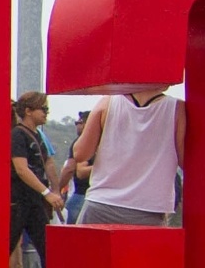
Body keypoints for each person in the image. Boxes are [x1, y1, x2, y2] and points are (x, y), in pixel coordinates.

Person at [69, 88, 186, 226]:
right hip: (149, 209)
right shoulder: (177, 109)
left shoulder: (108, 102)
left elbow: (80, 153)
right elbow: (185, 161)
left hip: (100, 204)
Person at [8, 92, 62, 268]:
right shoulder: (18, 135)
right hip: (18, 200)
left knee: (46, 245)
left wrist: (53, 191)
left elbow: (47, 163)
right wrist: (47, 192)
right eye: (43, 109)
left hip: (34, 201)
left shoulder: (38, 136)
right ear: (29, 111)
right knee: (8, 243)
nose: (46, 113)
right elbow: (21, 169)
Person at [57, 109, 93, 225]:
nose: (77, 125)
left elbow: (71, 170)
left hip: (82, 195)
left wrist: (57, 190)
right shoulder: (106, 140)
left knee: (73, 237)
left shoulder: (81, 142)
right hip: (103, 197)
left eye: (79, 122)